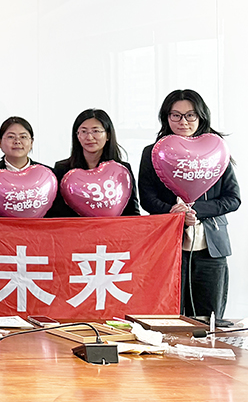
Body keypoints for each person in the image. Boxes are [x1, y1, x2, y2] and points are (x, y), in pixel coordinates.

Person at [139, 89, 240, 320]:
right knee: (169, 318)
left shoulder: (216, 150)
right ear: (166, 117)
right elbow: (147, 199)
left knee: (209, 320)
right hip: (168, 247)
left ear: (201, 116)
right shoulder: (153, 153)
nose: (183, 121)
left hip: (211, 249)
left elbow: (233, 198)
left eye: (190, 115)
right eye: (175, 115)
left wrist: (196, 211)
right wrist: (174, 213)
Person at [50, 109, 140, 217]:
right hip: (76, 227)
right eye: (84, 132)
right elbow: (57, 213)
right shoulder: (62, 169)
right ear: (77, 136)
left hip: (113, 227)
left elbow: (132, 211)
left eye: (96, 131)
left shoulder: (121, 170)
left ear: (108, 135)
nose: (89, 137)